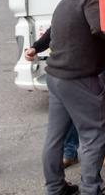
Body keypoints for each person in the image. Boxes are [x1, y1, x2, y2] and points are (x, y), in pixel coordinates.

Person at [41, 0, 105, 195]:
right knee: (94, 133)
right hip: (80, 78)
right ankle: (90, 189)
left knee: (55, 136)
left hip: (56, 76)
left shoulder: (64, 1)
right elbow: (101, 28)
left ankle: (55, 187)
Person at [25, 28, 81, 168]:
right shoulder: (64, 8)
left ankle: (104, 151)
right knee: (66, 114)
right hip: (64, 70)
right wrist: (35, 47)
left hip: (88, 67)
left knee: (96, 112)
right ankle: (69, 153)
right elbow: (53, 30)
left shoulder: (94, 8)